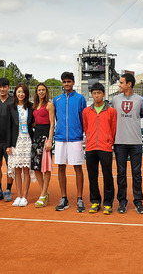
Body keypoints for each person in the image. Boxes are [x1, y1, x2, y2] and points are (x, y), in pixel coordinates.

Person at [53, 71, 87, 212]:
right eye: (64, 81)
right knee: (61, 167)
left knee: (77, 167)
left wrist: (83, 134)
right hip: (60, 138)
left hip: (76, 138)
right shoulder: (56, 100)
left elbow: (84, 118)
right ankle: (64, 198)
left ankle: (79, 198)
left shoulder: (80, 98)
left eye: (69, 81)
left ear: (73, 82)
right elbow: (54, 118)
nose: (66, 84)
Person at [112, 73, 143, 214]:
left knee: (137, 173)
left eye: (121, 82)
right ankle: (122, 202)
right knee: (121, 174)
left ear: (129, 84)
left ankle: (138, 201)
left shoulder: (140, 100)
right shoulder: (114, 100)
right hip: (119, 142)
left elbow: (141, 114)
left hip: (136, 142)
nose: (119, 85)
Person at [82, 82, 116, 215]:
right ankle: (95, 201)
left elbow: (113, 128)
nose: (96, 95)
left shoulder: (111, 111)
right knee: (92, 176)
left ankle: (108, 203)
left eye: (99, 93)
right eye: (94, 93)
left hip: (105, 147)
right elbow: (86, 127)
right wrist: (90, 138)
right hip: (90, 148)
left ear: (103, 94)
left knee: (107, 176)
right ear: (92, 94)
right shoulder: (86, 111)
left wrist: (108, 141)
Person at [7, 83, 35, 207]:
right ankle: (18, 196)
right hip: (15, 142)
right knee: (17, 170)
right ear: (15, 93)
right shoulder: (11, 107)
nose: (21, 94)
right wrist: (8, 145)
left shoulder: (31, 107)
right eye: (18, 92)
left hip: (27, 141)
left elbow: (34, 122)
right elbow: (8, 128)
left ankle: (25, 197)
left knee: (26, 170)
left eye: (23, 92)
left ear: (26, 94)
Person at [32, 83, 55, 208]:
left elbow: (52, 124)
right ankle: (44, 192)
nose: (41, 92)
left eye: (43, 90)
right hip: (35, 138)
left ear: (46, 92)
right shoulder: (35, 105)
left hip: (45, 137)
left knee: (45, 168)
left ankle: (42, 195)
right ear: (36, 92)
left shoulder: (49, 105)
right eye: (39, 90)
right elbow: (35, 122)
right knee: (36, 167)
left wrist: (50, 140)